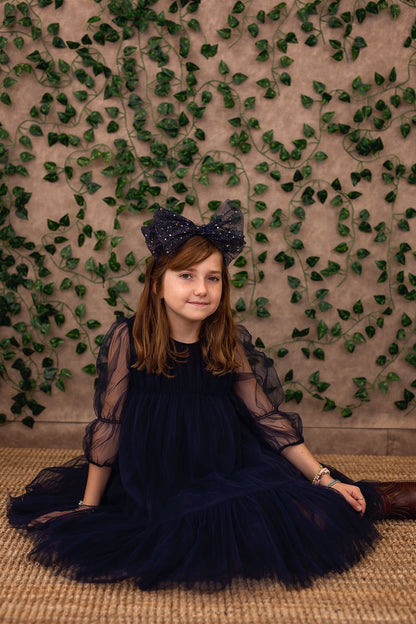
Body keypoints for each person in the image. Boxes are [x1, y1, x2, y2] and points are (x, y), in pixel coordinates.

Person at [7, 200, 416, 590]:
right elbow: (110, 425)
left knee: (311, 515)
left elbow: (265, 418)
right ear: (156, 284)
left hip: (225, 464)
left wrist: (323, 478)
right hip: (158, 477)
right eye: (186, 275)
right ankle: (372, 498)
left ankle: (377, 498)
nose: (201, 289)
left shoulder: (225, 341)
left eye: (213, 277)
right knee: (199, 541)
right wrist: (88, 509)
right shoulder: (129, 338)